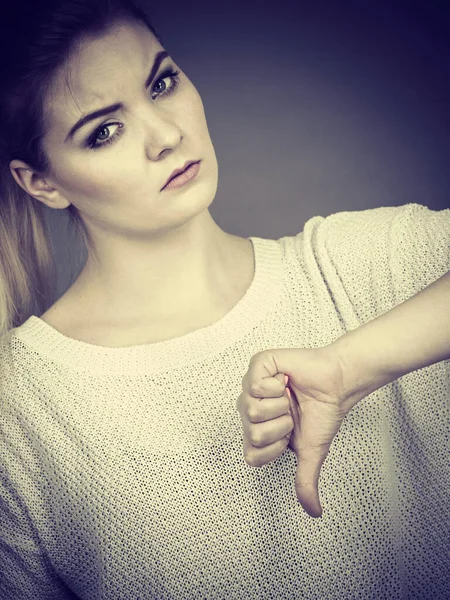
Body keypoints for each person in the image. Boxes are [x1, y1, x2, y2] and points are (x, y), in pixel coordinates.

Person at [0, 0, 448, 598]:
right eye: (104, 131)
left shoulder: (359, 265)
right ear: (42, 182)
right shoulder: (21, 413)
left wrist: (349, 366)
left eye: (162, 83)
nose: (165, 135)